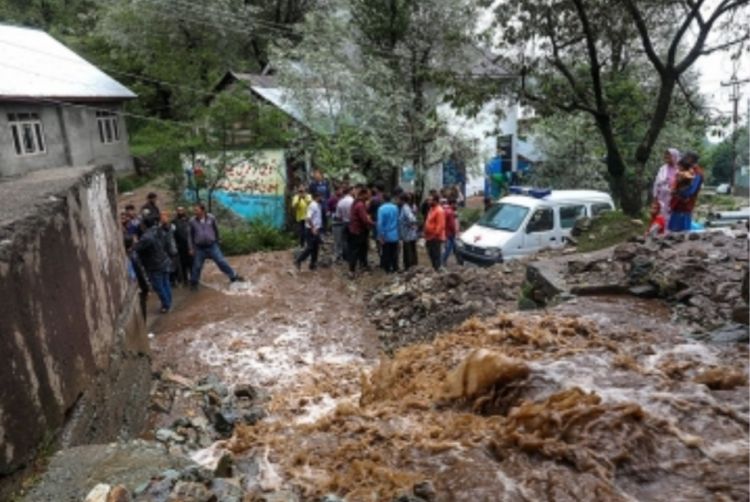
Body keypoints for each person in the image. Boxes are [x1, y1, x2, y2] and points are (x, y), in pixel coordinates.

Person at [189, 203, 244, 289]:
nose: (195, 211)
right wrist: (191, 248)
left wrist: (218, 240)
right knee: (197, 266)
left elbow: (216, 229)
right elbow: (190, 235)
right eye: (194, 210)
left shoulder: (211, 218)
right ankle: (194, 283)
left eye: (196, 209)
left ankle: (234, 276)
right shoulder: (192, 221)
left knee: (221, 261)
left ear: (202, 210)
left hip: (212, 245)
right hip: (199, 248)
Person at [135, 217, 172, 313]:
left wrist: (135, 242)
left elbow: (137, 248)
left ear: (144, 225)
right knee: (165, 283)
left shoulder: (146, 237)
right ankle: (168, 302)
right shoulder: (157, 230)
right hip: (164, 260)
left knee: (158, 286)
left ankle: (166, 305)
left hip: (155, 264)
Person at [668, 153, 704, 232]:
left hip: (684, 205)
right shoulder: (688, 171)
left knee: (681, 231)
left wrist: (678, 191)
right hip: (678, 204)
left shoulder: (697, 174)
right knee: (674, 230)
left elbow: (690, 191)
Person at [294, 192, 324, 271]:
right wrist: (313, 228)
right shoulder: (313, 205)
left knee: (316, 247)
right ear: (318, 196)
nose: (322, 198)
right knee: (310, 247)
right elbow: (308, 218)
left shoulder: (318, 205)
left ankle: (312, 264)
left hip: (316, 229)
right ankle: (298, 260)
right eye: (321, 196)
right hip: (311, 229)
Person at [347, 188, 373, 278]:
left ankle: (361, 266)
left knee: (361, 249)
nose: (369, 196)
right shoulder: (360, 205)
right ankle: (352, 270)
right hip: (358, 231)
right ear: (363, 194)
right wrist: (374, 223)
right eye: (368, 194)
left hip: (354, 230)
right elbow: (365, 220)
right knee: (356, 250)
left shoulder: (356, 203)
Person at [125, 235, 149, 321]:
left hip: (135, 285)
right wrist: (146, 287)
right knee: (142, 307)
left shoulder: (127, 256)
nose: (137, 241)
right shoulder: (133, 256)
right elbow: (140, 273)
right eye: (135, 241)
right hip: (138, 286)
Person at [652, 148, 680, 221]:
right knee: (660, 216)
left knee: (670, 217)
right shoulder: (662, 168)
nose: (666, 157)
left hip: (673, 198)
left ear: (675, 157)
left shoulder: (680, 169)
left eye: (669, 155)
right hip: (662, 197)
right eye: (666, 155)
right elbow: (656, 183)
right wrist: (655, 197)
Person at [377, 193, 400, 273]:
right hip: (395, 233)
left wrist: (380, 235)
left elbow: (380, 223)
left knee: (386, 252)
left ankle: (387, 268)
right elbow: (398, 220)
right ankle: (395, 267)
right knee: (394, 252)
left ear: (383, 199)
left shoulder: (381, 209)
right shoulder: (395, 207)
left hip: (386, 234)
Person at [423, 195, 446, 271]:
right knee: (431, 254)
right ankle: (435, 269)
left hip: (435, 238)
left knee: (436, 255)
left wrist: (434, 235)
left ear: (435, 201)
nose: (428, 202)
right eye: (428, 200)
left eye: (430, 200)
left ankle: (437, 270)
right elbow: (428, 221)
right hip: (429, 237)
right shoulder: (431, 209)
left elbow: (440, 225)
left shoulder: (439, 211)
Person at [172, 206, 193, 286]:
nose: (180, 212)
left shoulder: (189, 220)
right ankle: (185, 280)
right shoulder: (174, 222)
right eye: (179, 210)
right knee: (183, 264)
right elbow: (172, 234)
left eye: (181, 210)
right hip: (180, 246)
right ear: (177, 211)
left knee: (191, 263)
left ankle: (193, 278)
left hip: (189, 245)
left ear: (184, 211)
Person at [398, 193, 419, 270]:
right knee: (412, 250)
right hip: (411, 233)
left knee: (408, 251)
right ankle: (413, 265)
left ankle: (409, 267)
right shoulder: (411, 206)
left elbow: (412, 219)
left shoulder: (405, 208)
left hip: (407, 234)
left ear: (402, 200)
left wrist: (408, 224)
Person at [335, 185, 355, 261]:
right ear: (350, 191)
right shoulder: (353, 201)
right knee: (352, 239)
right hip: (352, 223)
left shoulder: (340, 202)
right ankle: (352, 255)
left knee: (344, 240)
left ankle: (346, 256)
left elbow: (338, 216)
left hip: (344, 223)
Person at [442, 199, 463, 266]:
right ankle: (443, 261)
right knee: (449, 249)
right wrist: (455, 232)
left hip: (447, 232)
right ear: (452, 204)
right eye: (455, 204)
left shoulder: (446, 210)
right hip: (451, 233)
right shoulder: (450, 212)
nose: (456, 205)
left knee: (455, 247)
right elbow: (452, 225)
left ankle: (459, 261)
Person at [329, 186, 345, 261]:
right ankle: (337, 254)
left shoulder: (343, 199)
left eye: (341, 190)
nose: (341, 191)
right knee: (337, 239)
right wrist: (332, 214)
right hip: (335, 221)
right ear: (336, 191)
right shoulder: (332, 199)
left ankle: (341, 254)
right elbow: (328, 210)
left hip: (342, 221)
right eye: (339, 190)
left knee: (342, 239)